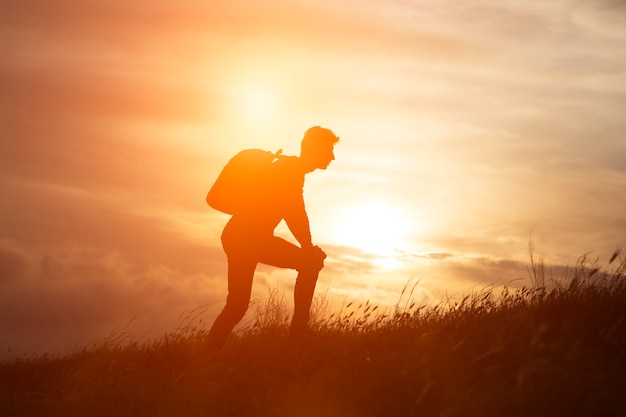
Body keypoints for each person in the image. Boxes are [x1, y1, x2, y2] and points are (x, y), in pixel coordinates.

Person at [207, 126, 339, 349]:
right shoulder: (290, 170)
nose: (332, 157)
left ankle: (298, 334)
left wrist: (307, 246)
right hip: (244, 239)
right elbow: (294, 212)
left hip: (252, 238)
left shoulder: (291, 168)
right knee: (237, 305)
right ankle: (297, 335)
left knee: (309, 264)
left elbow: (294, 210)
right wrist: (306, 246)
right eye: (328, 150)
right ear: (316, 149)